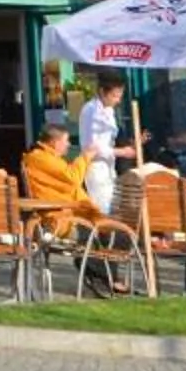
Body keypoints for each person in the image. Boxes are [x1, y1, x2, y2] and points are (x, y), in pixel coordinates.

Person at [20, 115, 135, 293]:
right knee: (111, 235)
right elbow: (72, 178)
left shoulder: (49, 158)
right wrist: (86, 156)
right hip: (60, 219)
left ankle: (100, 276)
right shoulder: (40, 158)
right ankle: (103, 278)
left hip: (70, 215)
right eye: (65, 141)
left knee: (117, 234)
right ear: (54, 142)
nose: (68, 145)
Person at [75, 76, 138, 211]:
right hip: (95, 166)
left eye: (120, 96)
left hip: (109, 165)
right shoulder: (91, 111)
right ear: (103, 92)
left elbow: (111, 139)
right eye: (114, 96)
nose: (118, 100)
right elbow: (93, 147)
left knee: (113, 204)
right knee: (103, 208)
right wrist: (123, 152)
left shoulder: (109, 110)